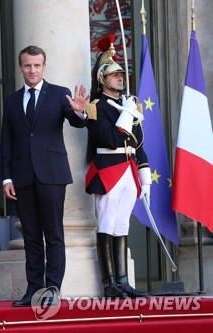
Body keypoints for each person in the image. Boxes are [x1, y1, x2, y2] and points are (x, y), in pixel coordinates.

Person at [1, 45, 89, 307]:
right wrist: (6, 178)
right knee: (30, 236)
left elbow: (78, 122)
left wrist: (79, 111)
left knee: (53, 235)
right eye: (27, 65)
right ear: (21, 68)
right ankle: (33, 290)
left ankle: (52, 289)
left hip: (51, 175)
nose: (32, 70)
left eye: (37, 65)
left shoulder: (59, 94)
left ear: (44, 66)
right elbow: (7, 141)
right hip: (23, 177)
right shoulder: (12, 100)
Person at [85, 35, 149, 298]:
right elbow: (108, 139)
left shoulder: (127, 104)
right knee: (107, 222)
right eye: (114, 74)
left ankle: (123, 281)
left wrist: (145, 177)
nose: (120, 78)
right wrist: (126, 114)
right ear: (102, 79)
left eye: (122, 74)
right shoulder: (94, 107)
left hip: (128, 170)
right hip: (108, 170)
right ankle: (109, 282)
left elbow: (139, 142)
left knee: (122, 224)